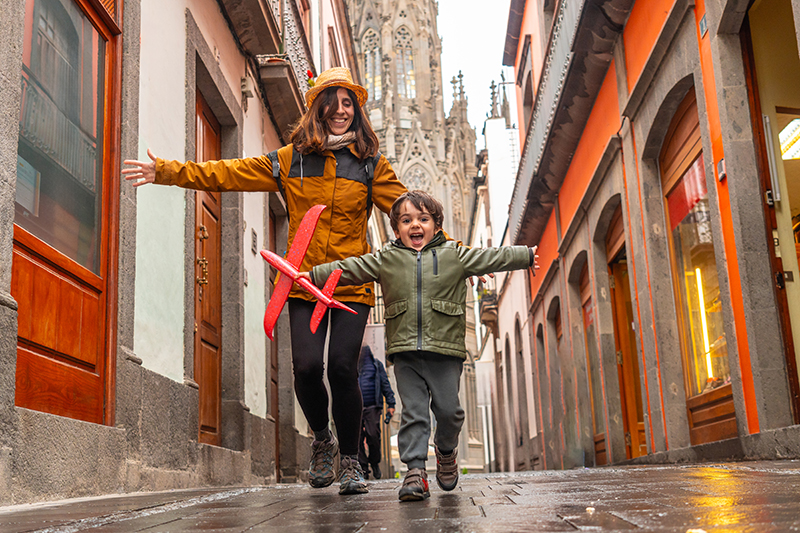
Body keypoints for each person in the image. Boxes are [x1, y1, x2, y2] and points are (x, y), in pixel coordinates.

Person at [122, 67, 408, 495]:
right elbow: (228, 173)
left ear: (357, 110)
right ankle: (323, 441)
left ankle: (350, 460)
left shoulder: (371, 166)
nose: (342, 111)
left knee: (343, 368)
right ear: (319, 107)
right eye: (334, 101)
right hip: (303, 281)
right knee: (307, 368)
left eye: (350, 103)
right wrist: (165, 170)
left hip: (351, 281)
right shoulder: (291, 159)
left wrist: (448, 252)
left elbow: (407, 211)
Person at [303, 190, 539, 501]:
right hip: (405, 352)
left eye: (423, 219)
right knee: (413, 413)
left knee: (450, 412)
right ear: (397, 228)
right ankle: (414, 471)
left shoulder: (455, 253)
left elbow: (490, 256)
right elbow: (352, 268)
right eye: (406, 220)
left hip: (445, 349)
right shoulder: (387, 258)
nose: (415, 225)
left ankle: (445, 451)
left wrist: (526, 255)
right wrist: (312, 275)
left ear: (437, 226)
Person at [357, 345, 395, 479]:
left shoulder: (376, 365)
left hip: (372, 407)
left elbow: (385, 384)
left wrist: (391, 403)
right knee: (357, 438)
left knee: (373, 435)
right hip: (355, 407)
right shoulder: (352, 364)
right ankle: (363, 468)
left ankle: (374, 462)